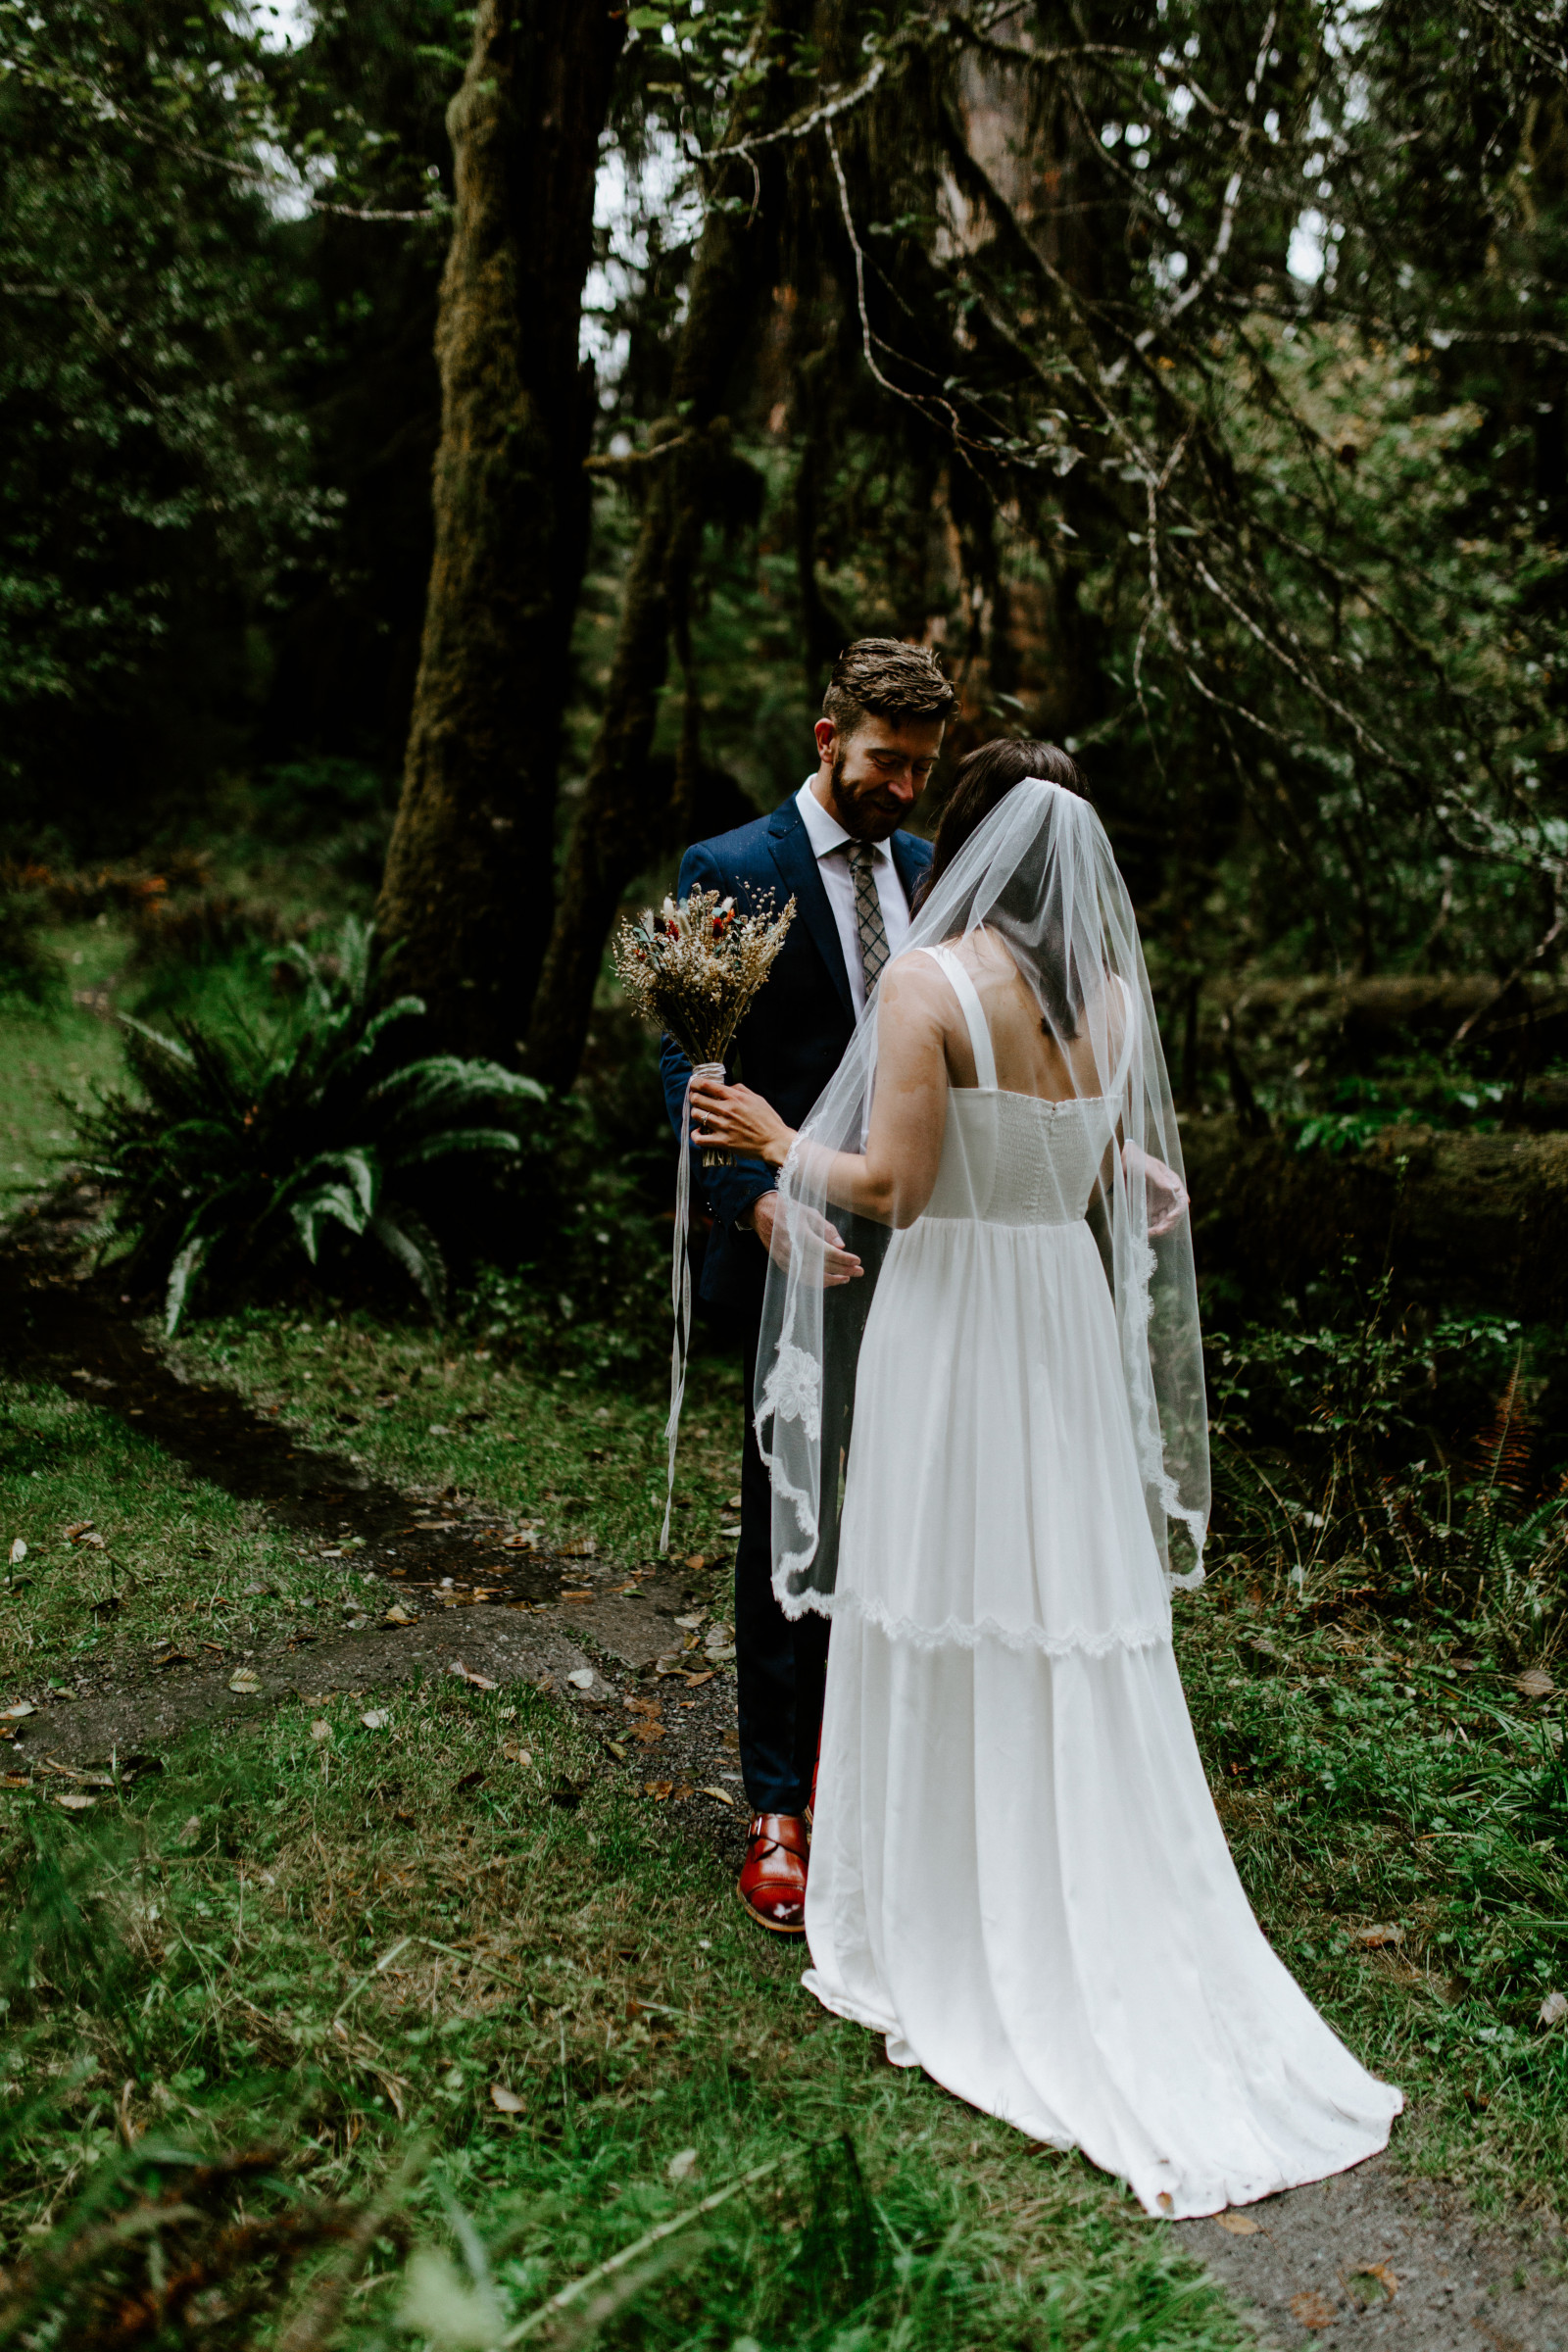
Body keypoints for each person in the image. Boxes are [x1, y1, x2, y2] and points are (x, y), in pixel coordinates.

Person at [690, 741, 1403, 2218]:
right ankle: (1068, 1877)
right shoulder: (1118, 1003)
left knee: (937, 1585)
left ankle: (931, 1901)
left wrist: (770, 1139)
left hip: (952, 1320)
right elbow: (1085, 1178)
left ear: (964, 844)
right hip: (1062, 1330)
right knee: (1058, 1601)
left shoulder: (928, 985)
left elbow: (892, 1186)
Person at [660, 639, 954, 1935]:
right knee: (796, 1517)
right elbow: (684, 1074)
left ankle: (871, 1769)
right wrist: (759, 1203)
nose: (903, 789)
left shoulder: (936, 873)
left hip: (924, 1249)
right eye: (887, 762)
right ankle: (778, 1802)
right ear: (829, 734)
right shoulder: (727, 870)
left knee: (905, 1512)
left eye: (923, 769)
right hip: (792, 1241)